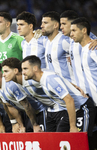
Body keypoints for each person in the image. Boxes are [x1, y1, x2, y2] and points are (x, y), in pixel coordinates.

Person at [21, 55, 96, 139]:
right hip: (70, 111)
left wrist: (73, 126)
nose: (23, 72)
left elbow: (69, 100)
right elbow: (60, 79)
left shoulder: (49, 79)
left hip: (82, 108)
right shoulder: (43, 77)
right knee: (59, 140)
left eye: (25, 69)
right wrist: (72, 86)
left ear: (35, 68)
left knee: (80, 141)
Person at [70, 17, 97, 149]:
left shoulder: (94, 48)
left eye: (74, 30)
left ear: (84, 30)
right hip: (89, 103)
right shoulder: (81, 51)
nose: (71, 34)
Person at [0, 58, 47, 132]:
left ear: (15, 71)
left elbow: (26, 105)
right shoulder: (15, 84)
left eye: (6, 71)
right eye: (3, 72)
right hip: (33, 114)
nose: (3, 75)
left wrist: (35, 125)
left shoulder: (30, 80)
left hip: (44, 111)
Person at [60, 10, 97, 95]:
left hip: (92, 90)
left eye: (64, 24)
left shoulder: (88, 39)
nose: (61, 27)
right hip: (83, 91)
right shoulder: (73, 41)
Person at [41, 11, 74, 83]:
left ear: (56, 25)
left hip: (70, 86)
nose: (42, 26)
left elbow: (85, 45)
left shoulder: (65, 40)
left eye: (45, 23)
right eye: (42, 23)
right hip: (56, 87)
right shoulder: (46, 41)